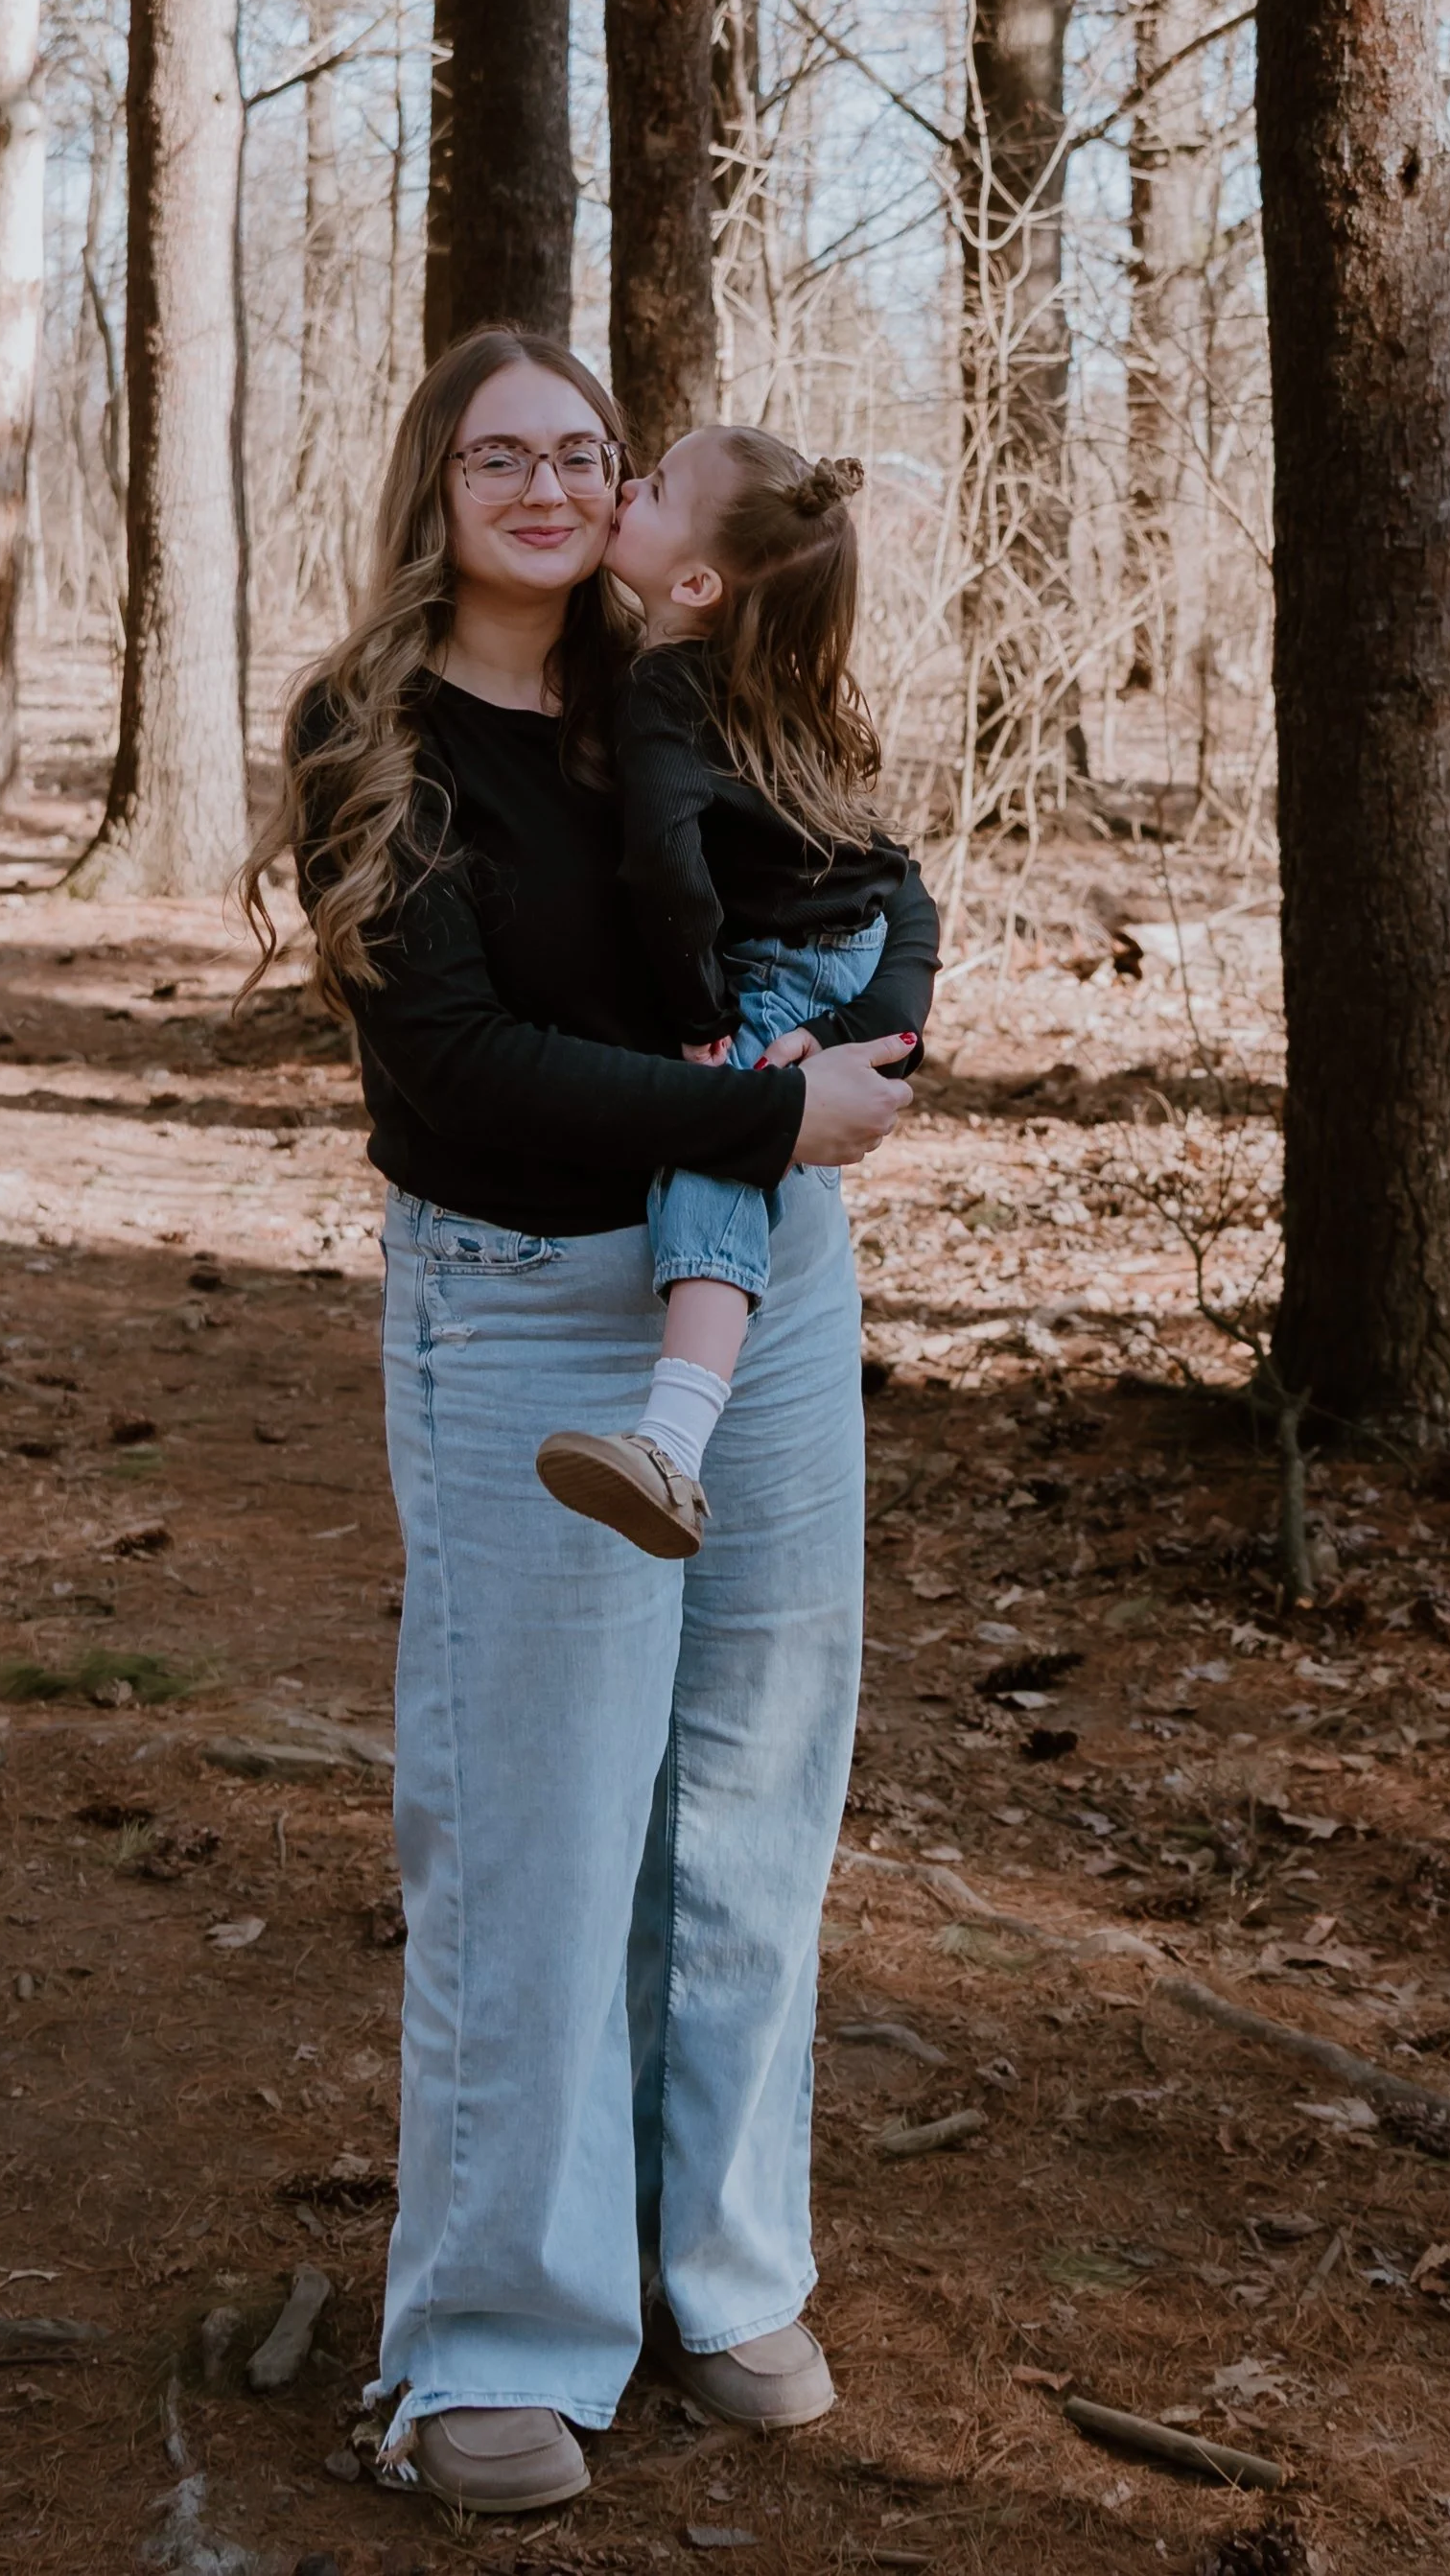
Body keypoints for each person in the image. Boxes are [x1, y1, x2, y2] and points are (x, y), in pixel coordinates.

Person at [241, 328, 938, 2518]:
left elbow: (870, 881)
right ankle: (498, 2335)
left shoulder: (698, 677)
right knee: (534, 1838)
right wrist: (763, 1109)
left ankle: (719, 2271)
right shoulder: (370, 732)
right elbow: (453, 1063)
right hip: (528, 1312)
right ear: (435, 484)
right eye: (499, 455)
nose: (546, 485)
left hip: (763, 1303)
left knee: (746, 1805)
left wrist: (872, 1032)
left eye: (583, 451)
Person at [536, 429, 909, 1559]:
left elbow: (665, 864)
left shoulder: (666, 684)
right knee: (735, 1126)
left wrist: (700, 1016)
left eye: (650, 489)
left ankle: (672, 1440)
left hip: (782, 965)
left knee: (715, 1140)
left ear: (696, 584)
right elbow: (885, 872)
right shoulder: (769, 688)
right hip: (842, 946)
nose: (622, 488)